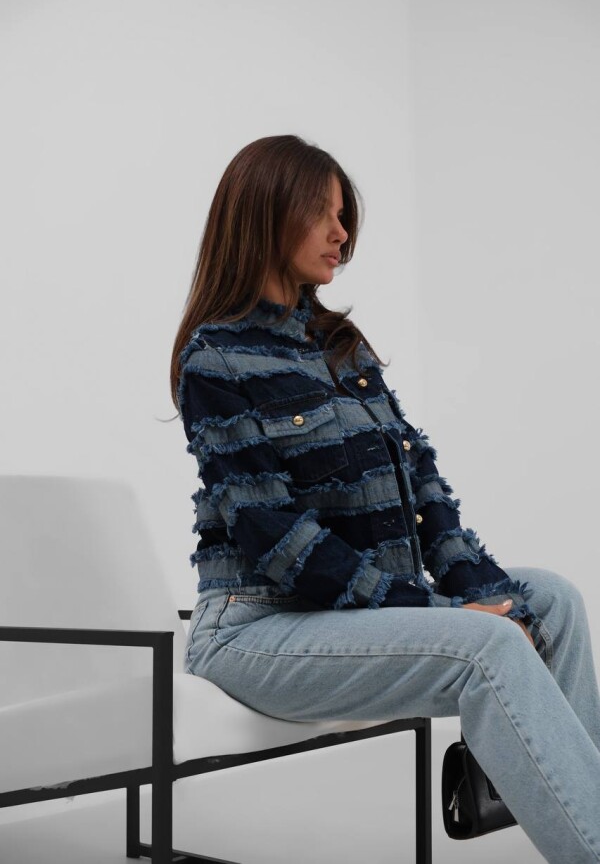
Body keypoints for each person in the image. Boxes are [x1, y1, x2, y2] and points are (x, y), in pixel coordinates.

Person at [170, 135, 600, 863]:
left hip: (348, 614)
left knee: (551, 599)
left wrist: (481, 593)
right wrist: (441, 612)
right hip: (255, 627)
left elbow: (425, 490)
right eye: (323, 213)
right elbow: (277, 540)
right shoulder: (214, 358)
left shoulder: (341, 344)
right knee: (488, 645)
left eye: (345, 216)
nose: (342, 234)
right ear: (267, 211)